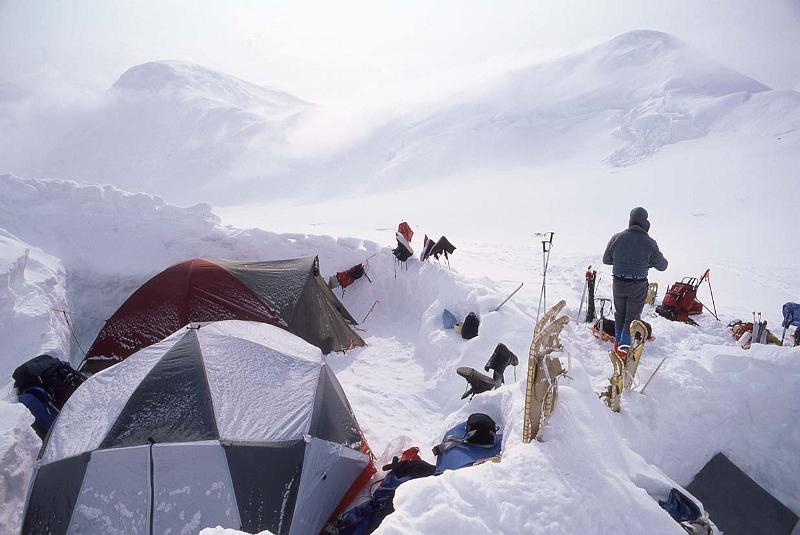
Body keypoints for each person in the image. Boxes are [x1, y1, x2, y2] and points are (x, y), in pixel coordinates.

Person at [603, 207, 668, 352]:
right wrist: (647, 263)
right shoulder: (649, 242)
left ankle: (618, 343)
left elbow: (606, 260)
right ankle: (624, 347)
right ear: (645, 222)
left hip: (618, 282)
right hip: (637, 285)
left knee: (619, 313)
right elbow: (663, 266)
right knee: (632, 316)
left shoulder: (617, 237)